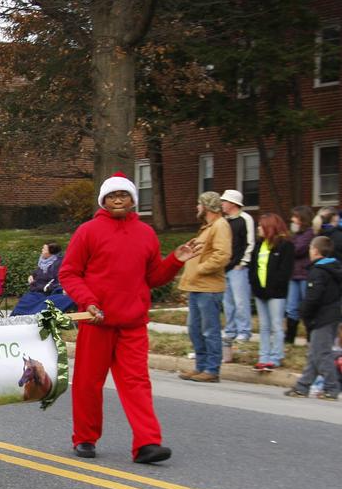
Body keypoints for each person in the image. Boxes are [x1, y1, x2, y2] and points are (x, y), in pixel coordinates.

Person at [59, 171, 200, 464]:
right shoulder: (87, 231)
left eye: (123, 195)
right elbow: (69, 273)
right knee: (87, 382)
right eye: (112, 196)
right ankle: (85, 438)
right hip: (97, 321)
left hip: (133, 324)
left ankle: (147, 443)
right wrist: (89, 301)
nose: (118, 199)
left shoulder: (146, 233)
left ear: (133, 200)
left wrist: (175, 260)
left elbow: (153, 278)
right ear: (104, 200)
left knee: (137, 383)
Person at [177, 191, 232, 383]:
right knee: (195, 329)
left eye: (199, 204)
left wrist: (200, 268)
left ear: (207, 207)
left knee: (210, 329)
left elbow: (222, 255)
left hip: (209, 288)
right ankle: (200, 366)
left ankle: (212, 369)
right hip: (197, 287)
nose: (197, 208)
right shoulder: (207, 227)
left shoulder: (220, 226)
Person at [284, 236, 341, 401]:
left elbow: (313, 298)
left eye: (310, 248)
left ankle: (331, 388)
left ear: (315, 251)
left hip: (321, 317)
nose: (309, 251)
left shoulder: (318, 271)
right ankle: (303, 386)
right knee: (314, 353)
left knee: (322, 354)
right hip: (332, 315)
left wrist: (305, 313)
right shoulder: (333, 268)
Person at [248, 213, 294, 371]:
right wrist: (255, 286)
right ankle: (264, 356)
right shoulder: (259, 244)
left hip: (276, 294)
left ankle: (276, 356)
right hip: (260, 292)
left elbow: (284, 271)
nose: (258, 228)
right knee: (264, 326)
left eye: (261, 226)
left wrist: (272, 288)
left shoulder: (285, 245)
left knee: (276, 325)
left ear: (270, 227)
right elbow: (253, 267)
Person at [220, 189, 255, 344]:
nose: (222, 204)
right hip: (225, 267)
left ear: (233, 203)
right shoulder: (225, 221)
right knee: (228, 302)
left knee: (241, 301)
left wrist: (242, 263)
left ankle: (244, 331)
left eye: (224, 201)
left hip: (238, 268)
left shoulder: (245, 219)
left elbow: (250, 242)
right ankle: (230, 330)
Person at [11, 242, 75, 316]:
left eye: (44, 249)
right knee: (25, 301)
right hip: (37, 290)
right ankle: (17, 319)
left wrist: (45, 287)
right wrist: (31, 276)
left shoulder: (58, 263)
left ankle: (30, 319)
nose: (42, 250)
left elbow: (57, 281)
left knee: (38, 305)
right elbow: (37, 272)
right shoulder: (43, 261)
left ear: (51, 252)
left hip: (48, 291)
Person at [285, 206, 315, 344]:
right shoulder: (295, 235)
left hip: (305, 275)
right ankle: (290, 338)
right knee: (291, 307)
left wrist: (288, 244)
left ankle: (311, 337)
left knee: (307, 307)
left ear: (303, 219)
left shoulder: (309, 234)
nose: (292, 220)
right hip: (293, 275)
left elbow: (297, 250)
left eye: (295, 217)